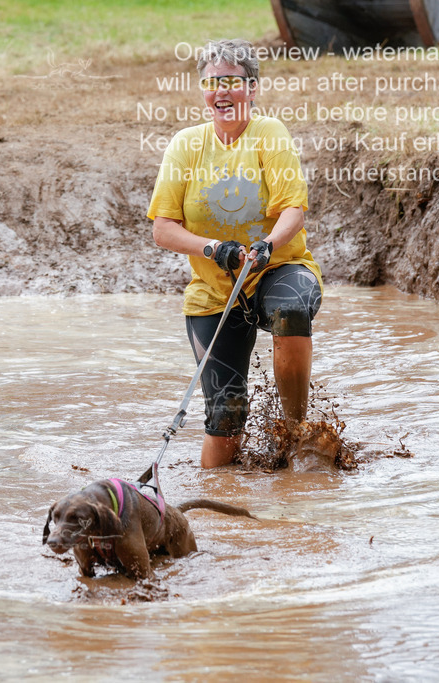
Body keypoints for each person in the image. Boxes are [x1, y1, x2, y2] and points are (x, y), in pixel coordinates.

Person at [147, 38, 322, 469]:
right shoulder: (185, 146)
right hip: (214, 292)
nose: (221, 91)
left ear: (252, 88)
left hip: (278, 268)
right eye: (212, 82)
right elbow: (163, 230)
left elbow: (293, 211)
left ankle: (293, 433)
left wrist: (266, 246)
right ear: (203, 90)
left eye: (232, 81)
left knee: (292, 310)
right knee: (225, 419)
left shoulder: (269, 134)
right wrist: (214, 249)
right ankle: (214, 517)